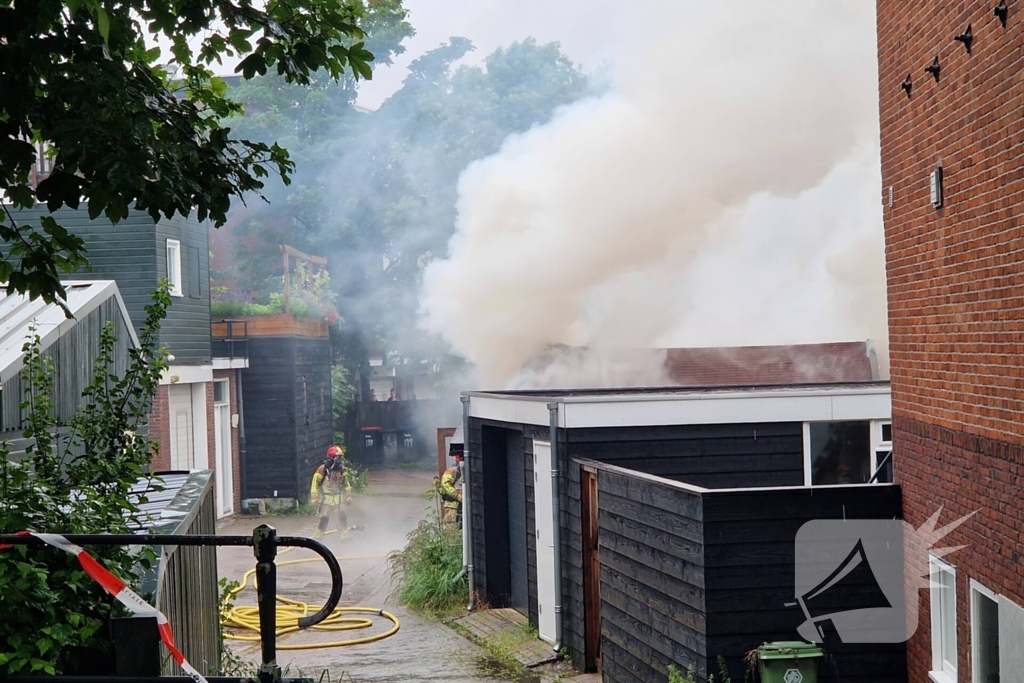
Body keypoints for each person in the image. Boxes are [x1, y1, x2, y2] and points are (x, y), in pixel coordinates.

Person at [310, 445, 353, 539]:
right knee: (324, 517)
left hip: (338, 497)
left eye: (340, 457)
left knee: (341, 515)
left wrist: (349, 496)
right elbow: (315, 484)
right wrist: (314, 497)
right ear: (331, 457)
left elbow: (346, 484)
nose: (339, 459)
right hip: (325, 498)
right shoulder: (322, 470)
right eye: (337, 457)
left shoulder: (342, 470)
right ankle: (318, 535)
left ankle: (343, 534)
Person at [437, 452, 463, 524]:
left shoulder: (468, 469)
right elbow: (445, 484)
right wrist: (458, 496)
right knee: (450, 529)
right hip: (452, 506)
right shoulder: (453, 470)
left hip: (463, 506)